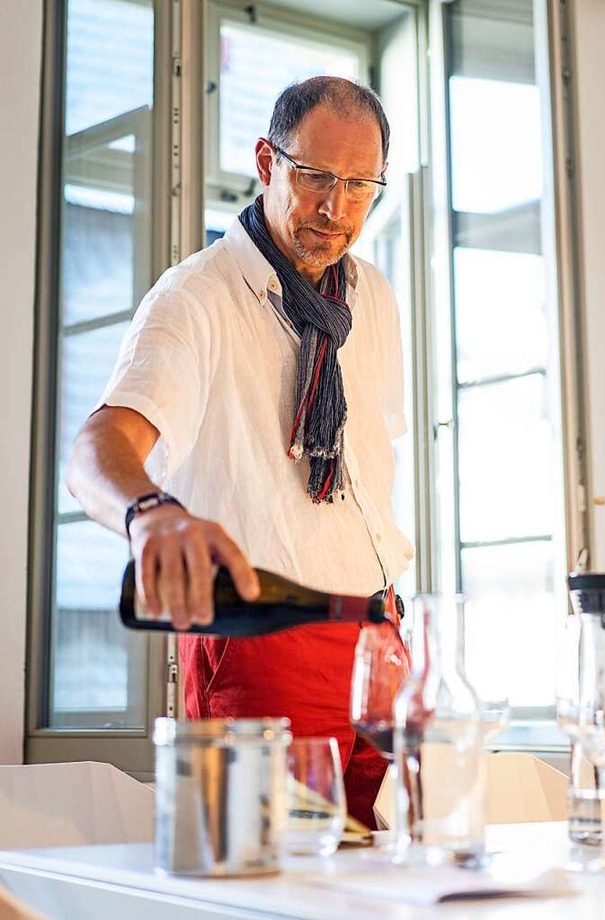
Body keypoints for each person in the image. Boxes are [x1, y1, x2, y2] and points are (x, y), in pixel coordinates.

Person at [66, 75, 413, 828]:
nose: (335, 208)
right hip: (265, 646)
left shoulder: (374, 296)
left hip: (379, 639)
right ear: (266, 161)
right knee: (266, 886)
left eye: (360, 186)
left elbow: (366, 476)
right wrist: (150, 514)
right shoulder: (197, 297)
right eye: (316, 176)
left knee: (382, 889)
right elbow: (97, 447)